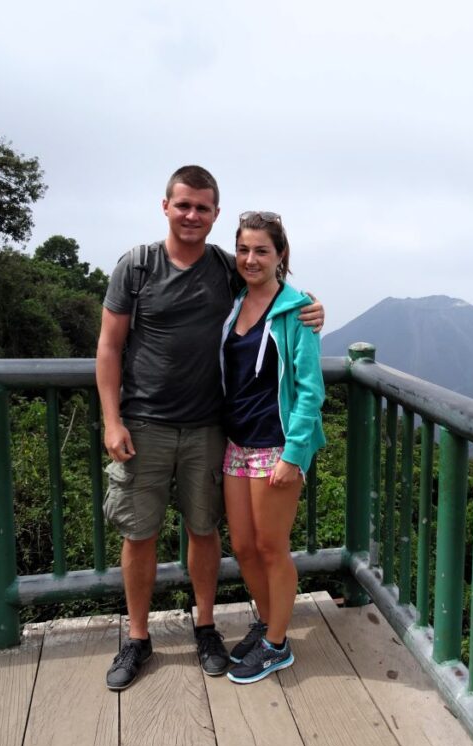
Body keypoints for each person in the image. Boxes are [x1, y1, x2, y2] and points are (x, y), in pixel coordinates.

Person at [96, 167, 324, 691]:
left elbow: (282, 305)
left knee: (209, 532)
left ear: (215, 214)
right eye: (184, 206)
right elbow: (109, 346)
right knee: (143, 533)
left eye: (202, 208)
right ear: (166, 206)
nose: (192, 215)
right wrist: (112, 420)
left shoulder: (226, 270)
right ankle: (137, 637)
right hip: (149, 425)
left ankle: (209, 627)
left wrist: (312, 308)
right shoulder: (138, 266)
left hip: (212, 430)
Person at [218, 211, 325, 684]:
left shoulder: (297, 311)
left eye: (262, 250)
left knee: (270, 547)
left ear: (281, 254)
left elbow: (309, 390)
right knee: (242, 546)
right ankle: (267, 623)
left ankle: (277, 645)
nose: (250, 258)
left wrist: (294, 454)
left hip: (275, 444)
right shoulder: (234, 301)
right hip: (235, 442)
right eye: (243, 249)